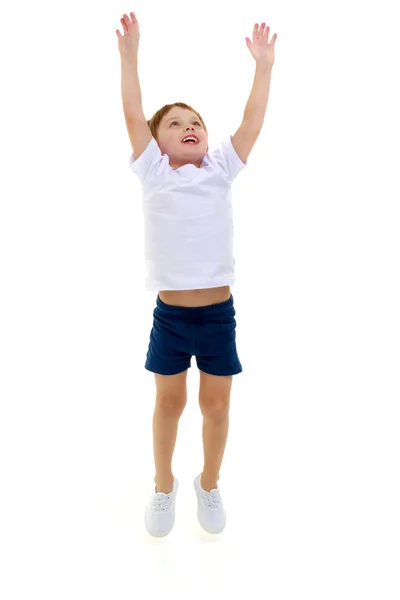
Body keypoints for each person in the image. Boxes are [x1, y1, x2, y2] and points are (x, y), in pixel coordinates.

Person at [116, 11, 276, 537]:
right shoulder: (153, 171)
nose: (189, 128)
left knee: (216, 405)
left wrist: (264, 68)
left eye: (196, 123)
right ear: (157, 143)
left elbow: (251, 121)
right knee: (169, 402)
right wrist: (130, 56)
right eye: (176, 123)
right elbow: (134, 112)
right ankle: (164, 485)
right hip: (171, 316)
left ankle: (208, 481)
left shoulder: (220, 168)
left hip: (217, 316)